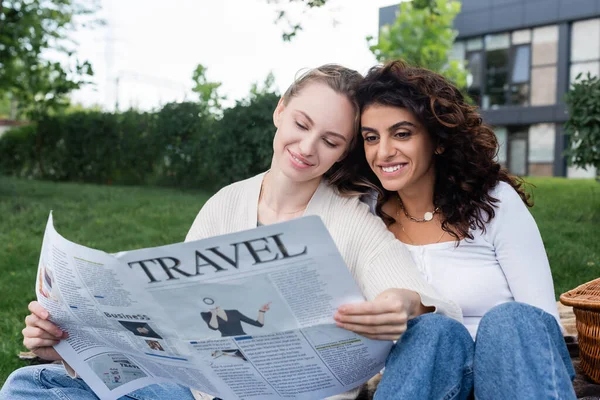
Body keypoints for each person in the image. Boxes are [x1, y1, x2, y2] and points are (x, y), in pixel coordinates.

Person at [2, 64, 461, 400]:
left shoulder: (349, 219)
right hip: (204, 393)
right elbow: (165, 327)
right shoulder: (224, 204)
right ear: (280, 112)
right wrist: (64, 346)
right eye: (301, 124)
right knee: (29, 385)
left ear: (343, 153)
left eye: (330, 140)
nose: (307, 147)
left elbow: (415, 297)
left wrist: (397, 306)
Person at [339, 59, 576, 399]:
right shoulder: (364, 212)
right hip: (429, 380)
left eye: (402, 133)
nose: (384, 152)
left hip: (512, 375)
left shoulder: (494, 201)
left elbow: (540, 324)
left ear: (438, 140)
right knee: (432, 331)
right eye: (371, 137)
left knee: (510, 320)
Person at [200, 302, 271, 337]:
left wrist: (261, 311)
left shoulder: (234, 312)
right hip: (229, 343)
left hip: (244, 339)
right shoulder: (206, 315)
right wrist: (214, 314)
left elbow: (259, 324)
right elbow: (214, 327)